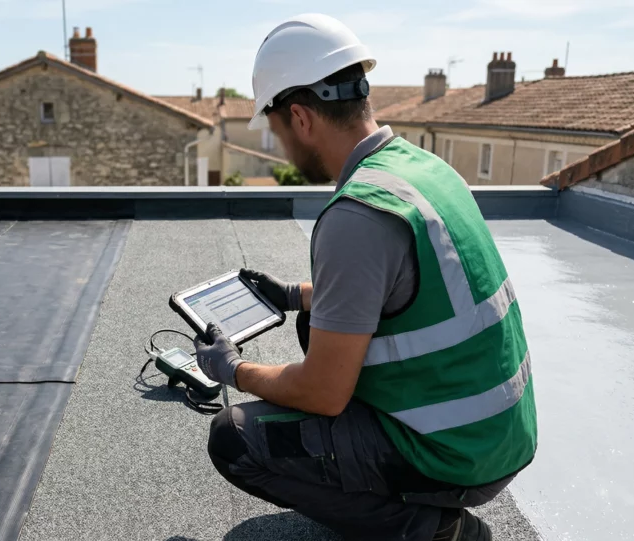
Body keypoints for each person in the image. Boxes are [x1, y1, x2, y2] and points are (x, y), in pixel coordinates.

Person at [192, 13, 537, 541]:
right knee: (315, 325)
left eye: (278, 127)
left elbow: (324, 393)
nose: (281, 143)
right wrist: (292, 295)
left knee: (234, 440)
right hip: (500, 436)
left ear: (301, 118)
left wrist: (232, 369)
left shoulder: (356, 215)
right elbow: (407, 295)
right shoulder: (424, 168)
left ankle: (432, 529)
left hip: (456, 456)